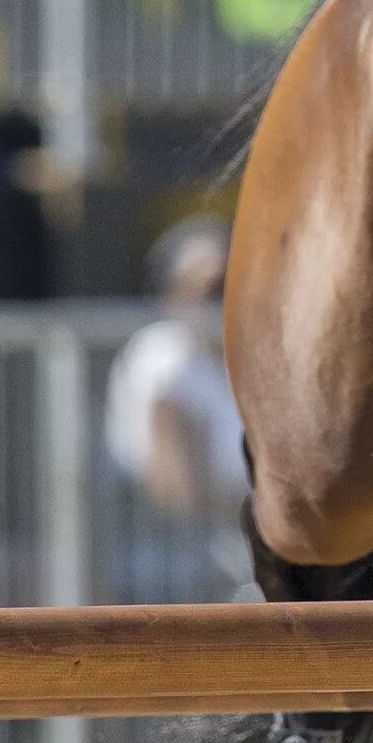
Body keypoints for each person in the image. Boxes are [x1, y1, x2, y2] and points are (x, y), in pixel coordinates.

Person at [104, 216, 248, 586]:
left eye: (239, 282)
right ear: (173, 294)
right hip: (174, 562)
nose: (230, 298)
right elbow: (179, 493)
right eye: (215, 288)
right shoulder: (164, 357)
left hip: (242, 549)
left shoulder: (251, 358)